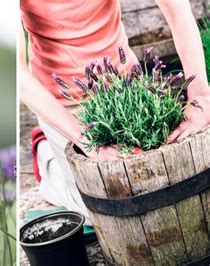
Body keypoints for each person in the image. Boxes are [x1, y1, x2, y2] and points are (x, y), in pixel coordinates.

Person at [19, 0, 210, 224]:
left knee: (165, 182)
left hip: (125, 87)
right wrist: (85, 139)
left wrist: (200, 98)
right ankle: (48, 159)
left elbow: (177, 11)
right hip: (64, 104)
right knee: (103, 215)